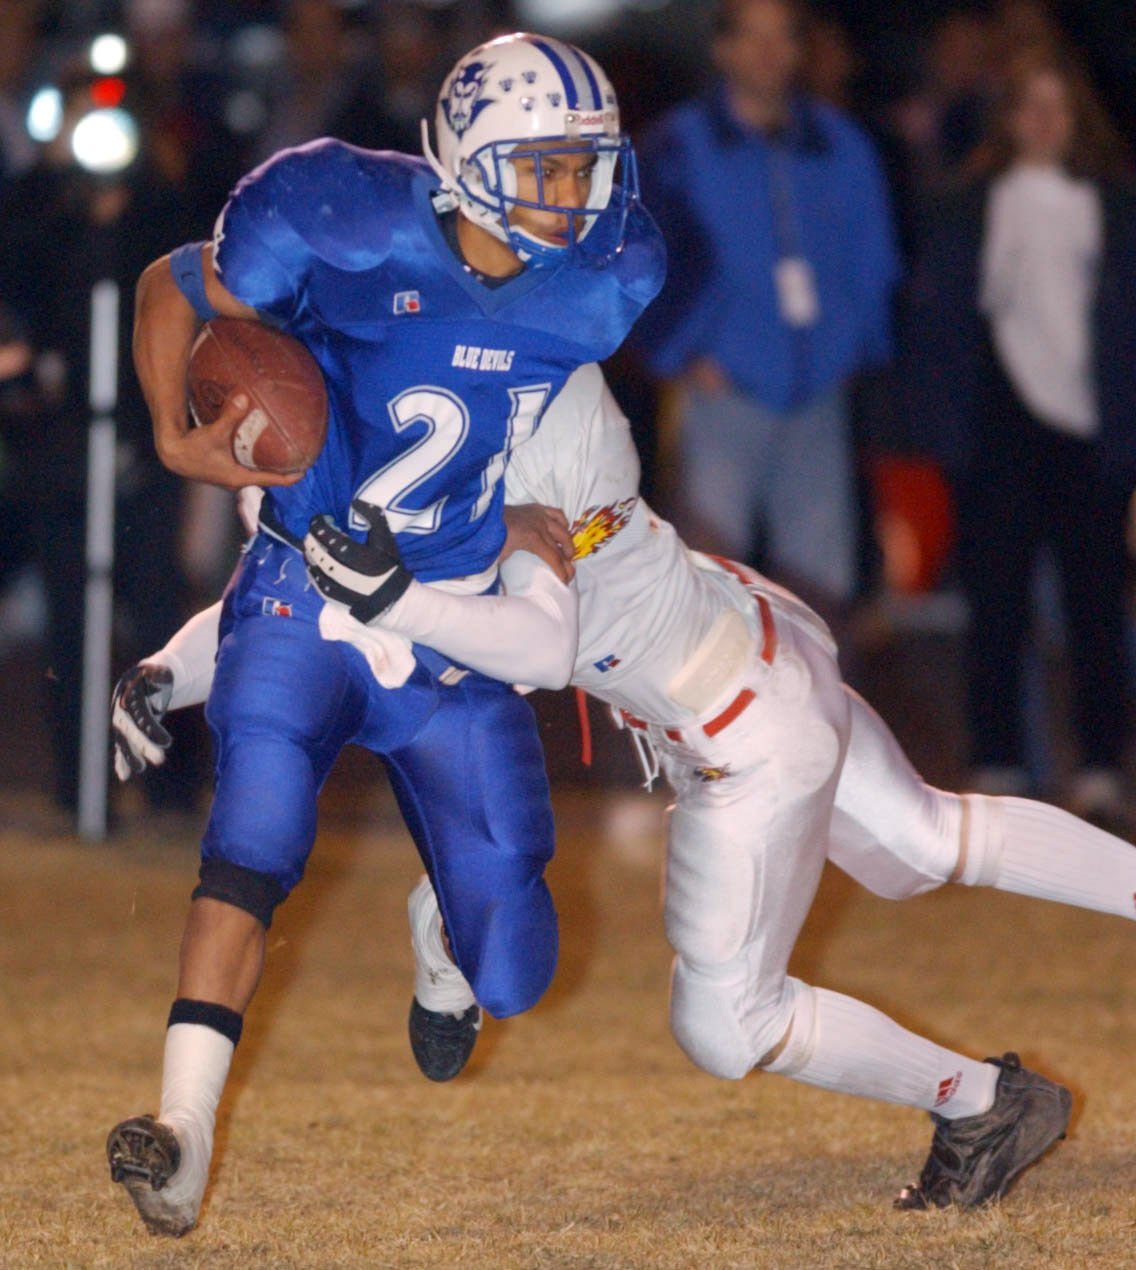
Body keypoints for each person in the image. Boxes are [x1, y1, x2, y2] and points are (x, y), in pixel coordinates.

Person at [118, 361, 1136, 1212]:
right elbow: (296, 609)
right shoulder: (483, 391)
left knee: (727, 1025)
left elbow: (526, 632)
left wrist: (404, 588)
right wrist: (175, 671)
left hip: (739, 731)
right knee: (925, 842)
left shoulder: (530, 455)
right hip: (752, 642)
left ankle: (976, 1100)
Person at [104, 31, 664, 1238]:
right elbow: (168, 282)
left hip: (451, 610)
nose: (579, 195)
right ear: (468, 161)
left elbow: (513, 417)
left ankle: (443, 934)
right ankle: (182, 1130)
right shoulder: (338, 214)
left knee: (513, 964)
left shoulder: (605, 276)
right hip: (302, 589)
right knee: (249, 837)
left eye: (588, 167)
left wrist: (516, 514)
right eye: (550, 167)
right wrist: (167, 430)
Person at [898, 48, 1136, 823]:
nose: (1042, 120)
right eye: (1027, 104)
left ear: (1078, 117)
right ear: (1006, 117)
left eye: (1056, 104)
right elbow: (939, 319)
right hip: (999, 425)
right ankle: (999, 757)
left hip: (1092, 430)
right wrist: (939, 431)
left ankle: (1099, 762)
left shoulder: (1113, 204)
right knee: (996, 605)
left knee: (1095, 607)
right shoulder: (970, 202)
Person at [632, 0, 900, 630]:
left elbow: (873, 255)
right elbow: (637, 261)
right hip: (721, 389)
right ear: (722, 48)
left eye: (782, 38)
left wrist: (858, 348)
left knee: (819, 586)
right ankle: (706, 726)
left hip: (819, 390)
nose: (768, 55)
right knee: (709, 581)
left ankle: (815, 720)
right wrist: (679, 353)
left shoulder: (838, 142)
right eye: (751, 39)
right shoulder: (675, 146)